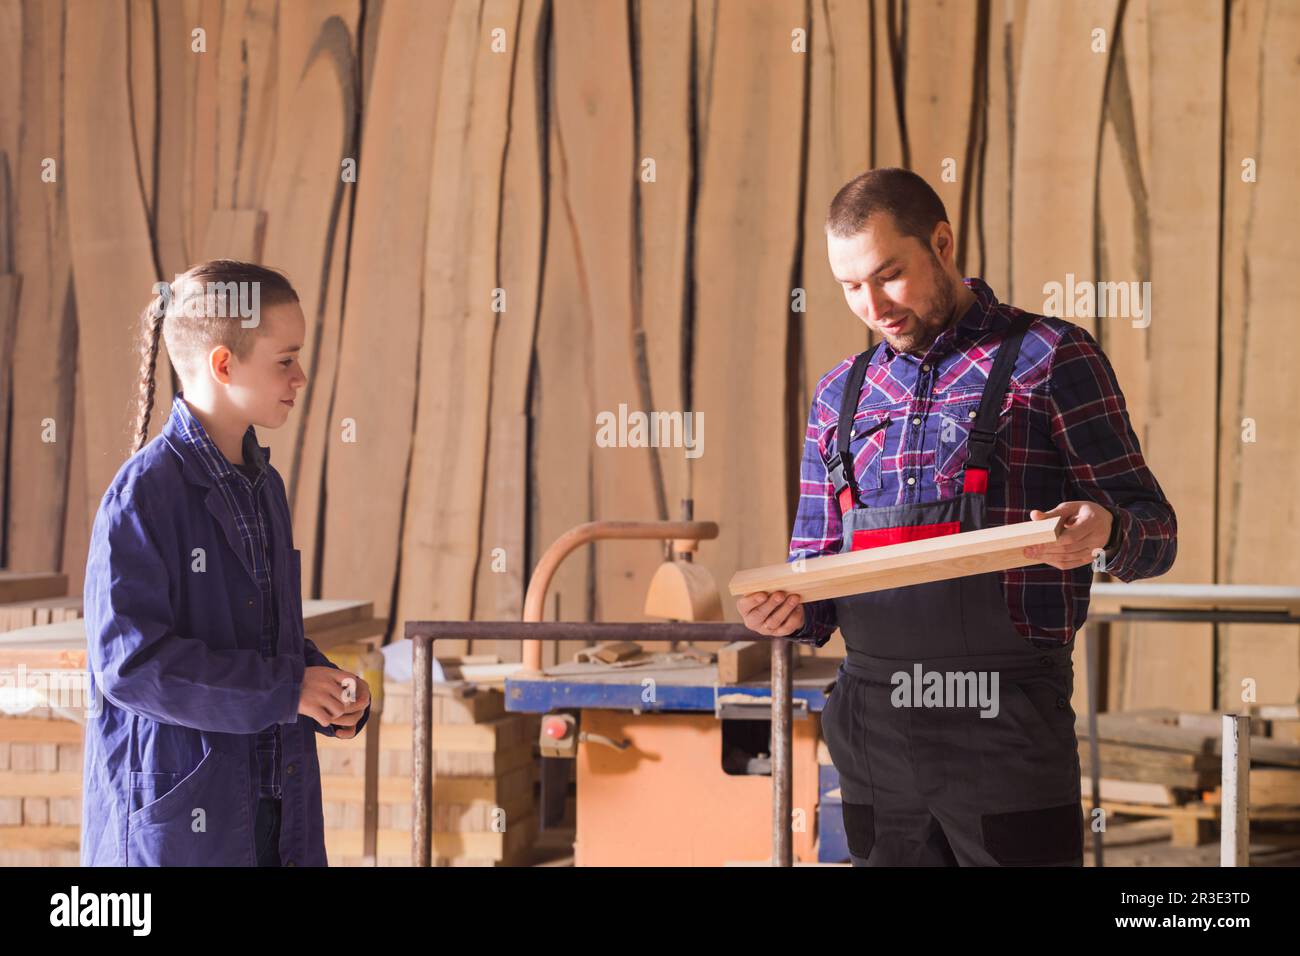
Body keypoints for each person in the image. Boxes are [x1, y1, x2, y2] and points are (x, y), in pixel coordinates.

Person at [736, 168, 1177, 866]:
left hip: (1005, 727)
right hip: (875, 729)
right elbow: (814, 578)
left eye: (890, 275)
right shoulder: (837, 397)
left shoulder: (1051, 358)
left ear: (942, 243)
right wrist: (784, 612)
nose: (873, 304)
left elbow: (1156, 533)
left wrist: (1109, 529)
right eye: (851, 286)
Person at [81, 260, 371, 866]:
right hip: (187, 819)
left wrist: (320, 686)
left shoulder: (264, 487)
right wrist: (286, 689)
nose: (301, 376)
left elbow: (263, 638)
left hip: (275, 806)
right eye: (285, 360)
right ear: (223, 363)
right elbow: (132, 667)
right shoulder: (142, 497)